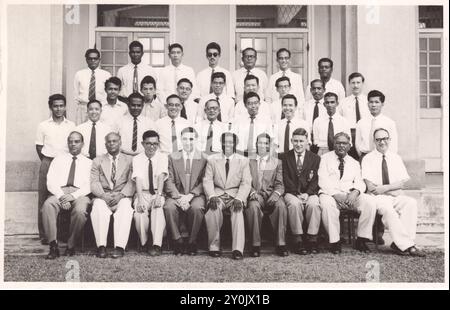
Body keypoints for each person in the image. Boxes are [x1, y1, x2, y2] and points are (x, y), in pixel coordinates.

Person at [362, 128, 425, 257]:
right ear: (374, 141)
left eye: (385, 138)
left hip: (394, 195)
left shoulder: (395, 158)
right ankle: (407, 245)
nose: (382, 142)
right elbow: (371, 187)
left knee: (411, 203)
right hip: (377, 198)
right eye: (378, 139)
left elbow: (401, 183)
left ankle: (400, 244)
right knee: (388, 211)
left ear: (389, 140)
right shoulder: (368, 159)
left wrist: (384, 188)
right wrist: (392, 187)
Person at [318, 132, 377, 254]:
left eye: (344, 143)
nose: (341, 146)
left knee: (370, 202)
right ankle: (335, 241)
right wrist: (335, 195)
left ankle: (362, 239)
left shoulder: (354, 162)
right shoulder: (324, 159)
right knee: (327, 206)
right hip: (330, 195)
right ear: (333, 145)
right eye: (338, 143)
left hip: (350, 196)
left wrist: (355, 192)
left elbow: (360, 182)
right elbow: (322, 180)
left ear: (349, 146)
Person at [42, 131, 92, 259]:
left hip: (80, 194)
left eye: (77, 141)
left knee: (80, 211)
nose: (73, 144)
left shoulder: (89, 163)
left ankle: (71, 245)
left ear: (82, 144)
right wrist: (61, 196)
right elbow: (50, 181)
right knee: (48, 205)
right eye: (70, 141)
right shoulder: (58, 159)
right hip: (60, 192)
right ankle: (53, 246)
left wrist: (73, 196)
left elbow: (90, 184)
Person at [203, 132, 251, 259]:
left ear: (235, 144)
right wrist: (212, 196)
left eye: (231, 142)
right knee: (213, 210)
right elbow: (207, 180)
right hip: (218, 194)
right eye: (225, 141)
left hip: (235, 194)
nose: (228, 144)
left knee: (237, 211)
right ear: (221, 143)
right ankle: (214, 246)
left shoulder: (243, 160)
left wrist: (240, 198)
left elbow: (246, 182)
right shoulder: (212, 160)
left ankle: (237, 249)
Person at [35, 94, 76, 243]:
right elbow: (39, 146)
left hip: (65, 163)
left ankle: (62, 234)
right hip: (48, 161)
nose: (59, 109)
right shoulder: (43, 125)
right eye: (55, 106)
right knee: (44, 198)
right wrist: (48, 162)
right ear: (50, 107)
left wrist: (62, 163)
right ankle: (45, 235)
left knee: (63, 196)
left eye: (61, 106)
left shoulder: (71, 125)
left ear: (65, 107)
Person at [90, 132, 135, 259]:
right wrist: (103, 196)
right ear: (105, 145)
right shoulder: (97, 161)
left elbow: (131, 181)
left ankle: (119, 247)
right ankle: (101, 247)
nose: (112, 143)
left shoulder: (130, 160)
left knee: (126, 208)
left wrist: (121, 195)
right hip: (103, 195)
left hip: (122, 196)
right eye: (109, 141)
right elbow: (94, 182)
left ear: (120, 143)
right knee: (98, 207)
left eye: (115, 141)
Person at [164, 127, 207, 255]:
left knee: (197, 208)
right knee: (168, 207)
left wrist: (190, 195)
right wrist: (178, 197)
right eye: (185, 139)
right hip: (177, 194)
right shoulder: (172, 157)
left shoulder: (204, 158)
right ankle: (177, 240)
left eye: (191, 139)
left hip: (195, 195)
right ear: (180, 140)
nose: (188, 142)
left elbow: (204, 181)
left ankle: (192, 241)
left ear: (196, 140)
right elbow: (168, 180)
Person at [246, 133, 288, 257]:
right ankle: (255, 244)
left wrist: (276, 194)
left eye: (265, 143)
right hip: (255, 195)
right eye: (260, 143)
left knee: (281, 206)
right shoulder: (248, 161)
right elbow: (245, 181)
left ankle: (281, 243)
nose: (262, 146)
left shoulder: (277, 162)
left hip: (271, 195)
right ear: (256, 145)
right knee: (253, 207)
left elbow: (280, 184)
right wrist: (252, 192)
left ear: (269, 146)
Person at [282, 128, 321, 254]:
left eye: (301, 141)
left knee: (314, 204)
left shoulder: (315, 158)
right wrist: (295, 193)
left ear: (307, 142)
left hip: (310, 192)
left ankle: (312, 239)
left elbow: (316, 179)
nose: (298, 144)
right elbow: (285, 178)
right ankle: (297, 239)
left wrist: (308, 193)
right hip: (291, 192)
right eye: (296, 141)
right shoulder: (284, 157)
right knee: (294, 204)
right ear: (291, 141)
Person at [132, 130, 168, 256]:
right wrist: (140, 200)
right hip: (143, 192)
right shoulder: (137, 159)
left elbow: (160, 176)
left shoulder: (162, 157)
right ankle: (144, 242)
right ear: (143, 144)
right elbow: (138, 179)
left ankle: (157, 244)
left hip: (157, 192)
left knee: (158, 209)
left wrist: (158, 196)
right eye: (148, 143)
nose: (152, 147)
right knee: (139, 212)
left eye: (155, 144)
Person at [355, 90, 398, 159]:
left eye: (377, 102)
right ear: (367, 104)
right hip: (365, 156)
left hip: (382, 156)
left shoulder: (389, 123)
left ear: (382, 104)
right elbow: (358, 144)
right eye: (371, 102)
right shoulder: (361, 123)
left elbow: (393, 146)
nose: (373, 105)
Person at [73, 48, 111, 125]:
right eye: (90, 59)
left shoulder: (106, 75)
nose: (93, 61)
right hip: (84, 108)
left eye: (95, 58)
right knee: (82, 131)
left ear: (99, 60)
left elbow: (109, 94)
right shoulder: (79, 74)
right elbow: (76, 94)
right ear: (86, 60)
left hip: (100, 108)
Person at [339, 72, 371, 160]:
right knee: (350, 160)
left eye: (358, 82)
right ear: (349, 84)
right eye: (353, 83)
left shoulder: (368, 101)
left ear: (362, 84)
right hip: (349, 134)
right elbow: (339, 120)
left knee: (365, 160)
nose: (355, 85)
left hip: (364, 134)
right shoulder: (343, 102)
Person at [232, 92, 273, 158]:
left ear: (259, 104)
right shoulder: (238, 120)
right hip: (241, 155)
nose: (253, 106)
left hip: (259, 156)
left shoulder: (267, 120)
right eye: (250, 103)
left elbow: (271, 140)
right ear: (245, 105)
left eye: (256, 103)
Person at [304, 79, 327, 153]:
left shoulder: (328, 105)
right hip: (308, 139)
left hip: (322, 140)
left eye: (319, 88)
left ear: (324, 90)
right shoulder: (305, 106)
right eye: (314, 88)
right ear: (310, 90)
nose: (316, 91)